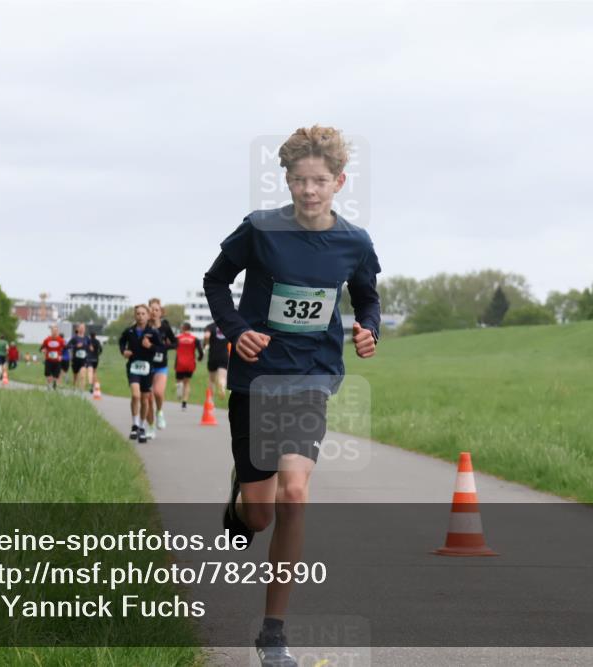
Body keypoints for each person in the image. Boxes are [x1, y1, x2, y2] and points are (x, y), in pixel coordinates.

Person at [202, 125, 381, 666]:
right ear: (286, 179)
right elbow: (215, 281)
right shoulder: (259, 230)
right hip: (256, 378)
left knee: (295, 495)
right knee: (259, 515)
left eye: (320, 181)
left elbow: (367, 298)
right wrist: (236, 330)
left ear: (339, 182)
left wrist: (369, 328)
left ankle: (273, 633)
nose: (309, 190)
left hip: (312, 377)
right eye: (300, 180)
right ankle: (239, 508)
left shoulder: (354, 241)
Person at [118, 304, 162, 443]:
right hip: (133, 367)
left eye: (143, 314)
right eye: (138, 313)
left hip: (147, 369)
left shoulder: (152, 332)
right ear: (134, 315)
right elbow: (121, 341)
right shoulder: (129, 331)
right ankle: (135, 424)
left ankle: (142, 427)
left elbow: (161, 348)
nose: (140, 316)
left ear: (148, 316)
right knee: (135, 395)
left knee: (144, 399)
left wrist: (151, 346)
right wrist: (123, 351)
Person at [148, 298, 177, 433]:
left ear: (161, 312)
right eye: (151, 309)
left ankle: (159, 412)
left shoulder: (165, 327)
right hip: (147, 366)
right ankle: (150, 427)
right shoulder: (145, 326)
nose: (153, 312)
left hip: (161, 365)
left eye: (156, 310)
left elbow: (176, 343)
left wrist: (165, 346)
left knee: (158, 393)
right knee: (148, 398)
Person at [174, 322, 204, 410]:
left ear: (183, 328)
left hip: (179, 363)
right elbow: (201, 351)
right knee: (187, 383)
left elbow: (172, 346)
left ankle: (179, 390)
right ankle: (184, 403)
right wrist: (199, 358)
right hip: (190, 364)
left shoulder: (178, 338)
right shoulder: (195, 339)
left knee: (179, 381)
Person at [204, 321, 230, 397]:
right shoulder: (227, 326)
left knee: (212, 380)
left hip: (213, 356)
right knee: (222, 377)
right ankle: (222, 386)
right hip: (224, 355)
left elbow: (206, 336)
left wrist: (206, 344)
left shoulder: (210, 326)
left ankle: (211, 401)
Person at [40, 325, 66, 390]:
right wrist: (43, 350)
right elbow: (41, 348)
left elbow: (65, 349)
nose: (54, 332)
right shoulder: (47, 340)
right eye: (53, 331)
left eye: (56, 331)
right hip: (49, 360)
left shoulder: (61, 340)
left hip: (57, 360)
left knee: (56, 375)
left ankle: (54, 383)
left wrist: (62, 356)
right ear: (51, 331)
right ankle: (49, 386)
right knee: (48, 374)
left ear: (58, 332)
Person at [67, 323, 92, 390]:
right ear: (78, 329)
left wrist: (91, 348)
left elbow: (90, 345)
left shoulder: (87, 338)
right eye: (80, 328)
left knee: (83, 374)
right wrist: (75, 346)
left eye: (83, 328)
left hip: (84, 359)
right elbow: (68, 346)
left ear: (85, 329)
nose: (82, 329)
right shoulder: (74, 338)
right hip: (75, 360)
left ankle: (82, 389)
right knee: (75, 375)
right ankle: (74, 385)